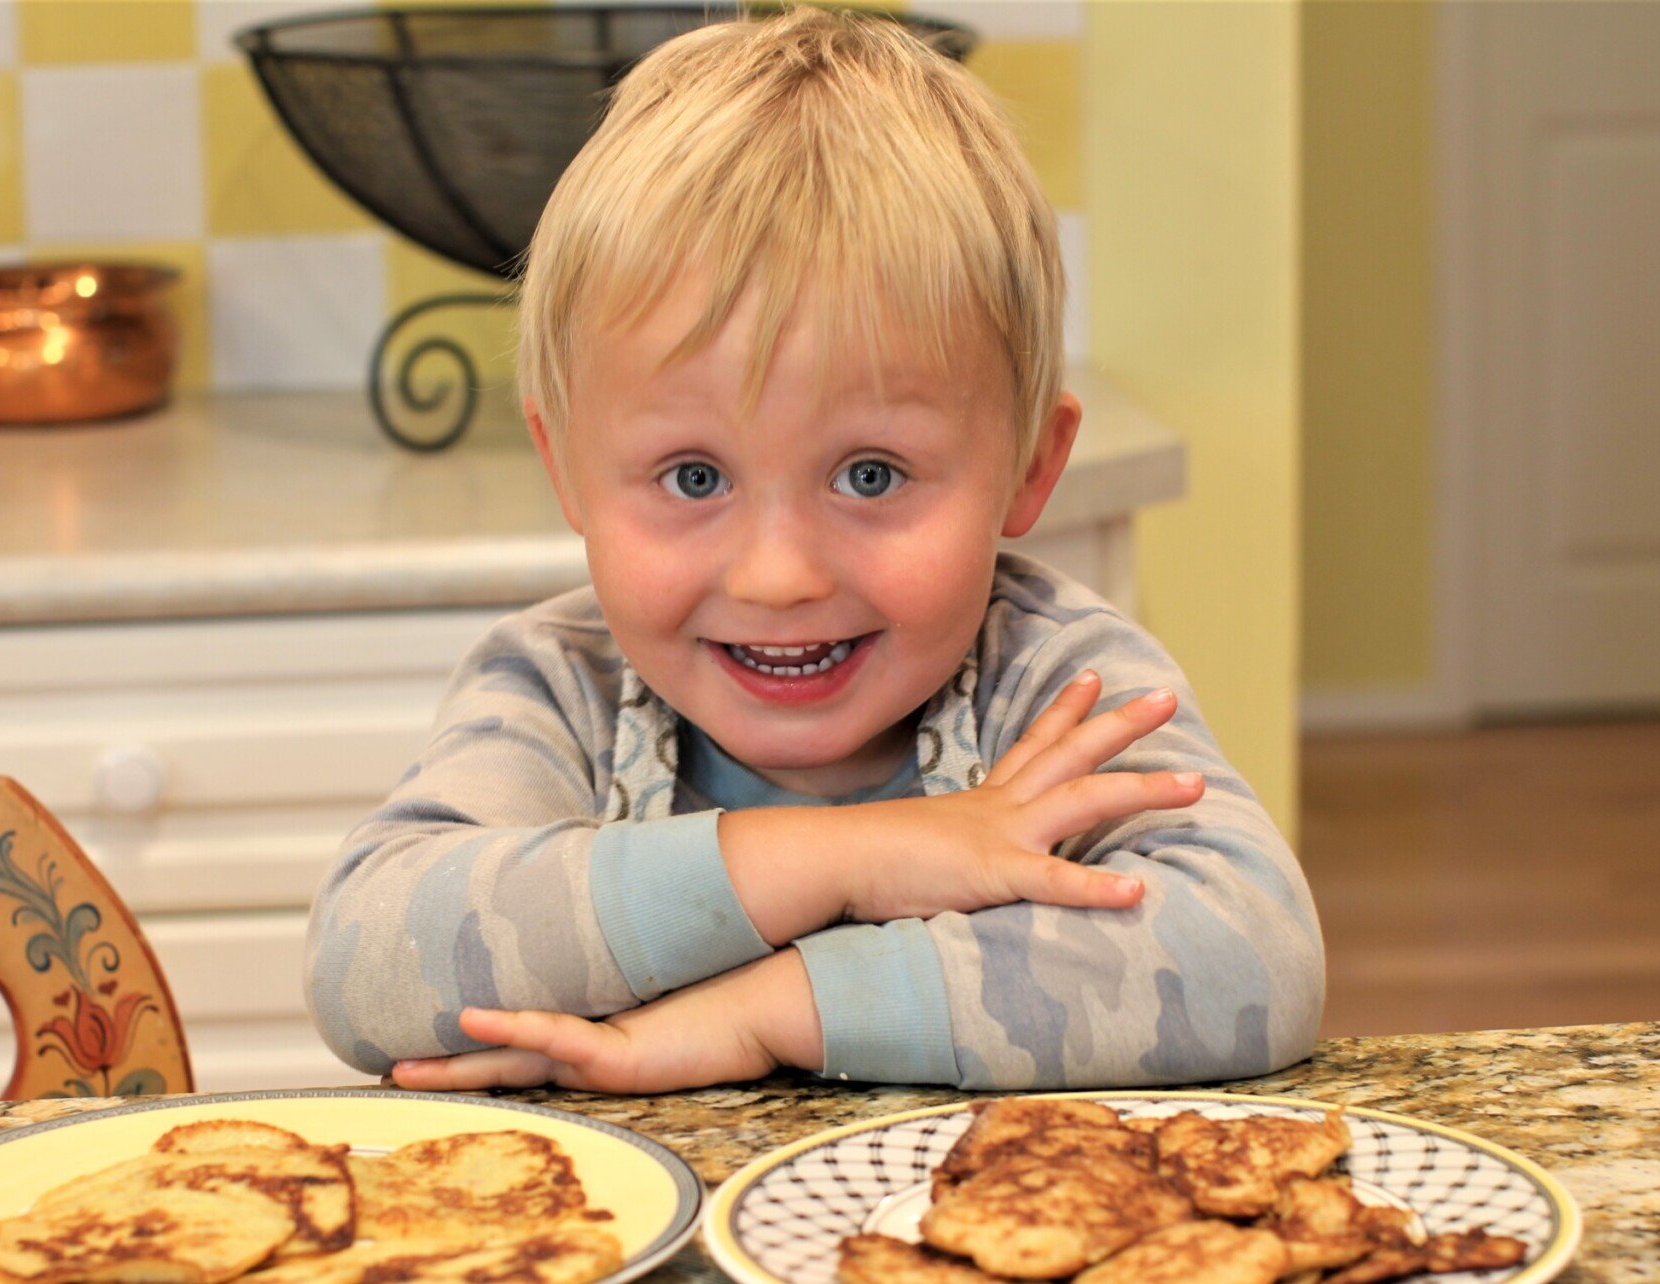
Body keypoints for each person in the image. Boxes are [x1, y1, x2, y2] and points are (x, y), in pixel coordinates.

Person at [305, 6, 1323, 1094]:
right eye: (692, 478)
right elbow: (369, 965)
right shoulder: (562, 689)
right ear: (565, 471)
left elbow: (1245, 960)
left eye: (869, 475)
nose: (777, 577)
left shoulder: (1054, 686)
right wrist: (861, 858)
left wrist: (764, 1013)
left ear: (1029, 466)